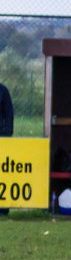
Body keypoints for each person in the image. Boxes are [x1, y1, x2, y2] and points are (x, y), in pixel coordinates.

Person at [0, 80, 12, 216]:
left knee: (2, 173)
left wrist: (6, 134)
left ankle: (2, 208)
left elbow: (9, 115)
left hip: (2, 139)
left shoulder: (3, 91)